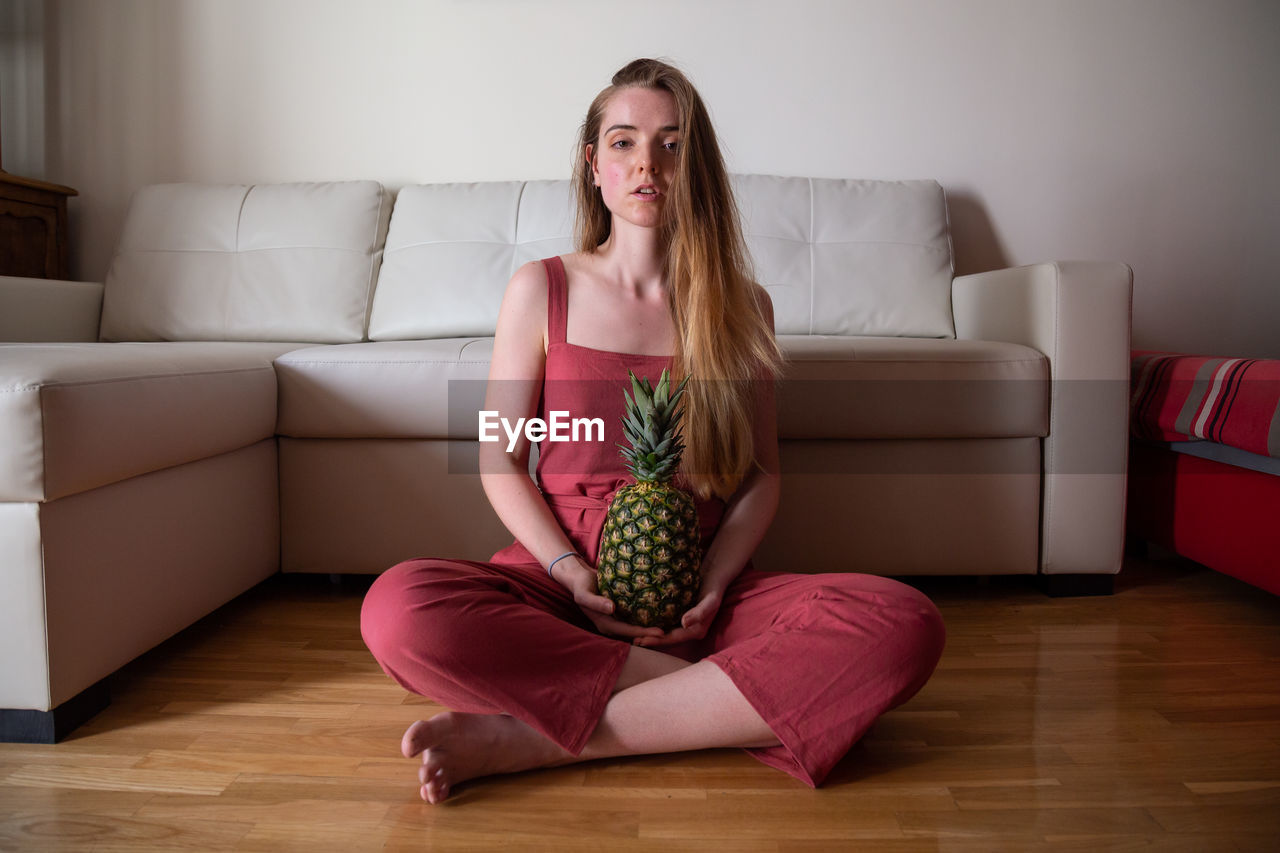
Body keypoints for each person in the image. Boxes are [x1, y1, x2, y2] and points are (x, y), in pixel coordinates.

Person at [360, 58, 945, 805]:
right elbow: (497, 455)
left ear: (694, 166)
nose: (648, 165)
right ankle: (718, 703)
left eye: (672, 145)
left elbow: (762, 474)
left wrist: (715, 581)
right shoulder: (539, 289)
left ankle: (538, 740)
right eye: (625, 142)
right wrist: (570, 570)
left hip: (701, 591)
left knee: (905, 623)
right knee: (398, 609)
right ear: (593, 163)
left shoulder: (744, 306)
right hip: (557, 586)